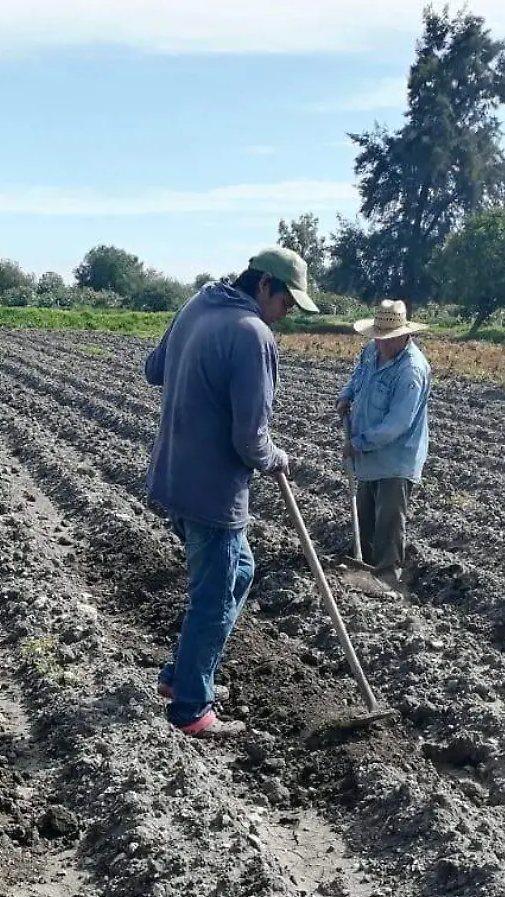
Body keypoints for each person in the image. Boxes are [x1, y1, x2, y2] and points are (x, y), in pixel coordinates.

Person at [144, 246, 316, 738]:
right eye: (286, 303)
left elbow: (154, 369)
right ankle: (192, 708)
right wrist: (277, 458)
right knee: (215, 592)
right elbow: (250, 440)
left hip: (173, 474)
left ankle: (181, 676)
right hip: (213, 490)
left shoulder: (197, 305)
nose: (285, 316)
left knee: (239, 571)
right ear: (265, 286)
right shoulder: (252, 333)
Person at [337, 299, 432, 595]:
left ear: (406, 335)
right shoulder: (372, 349)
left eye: (388, 340)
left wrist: (358, 443)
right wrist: (346, 394)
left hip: (396, 457)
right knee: (364, 511)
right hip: (367, 453)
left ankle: (387, 578)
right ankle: (362, 570)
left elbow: (397, 424)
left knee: (389, 519)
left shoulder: (411, 371)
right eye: (378, 338)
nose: (381, 345)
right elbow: (358, 377)